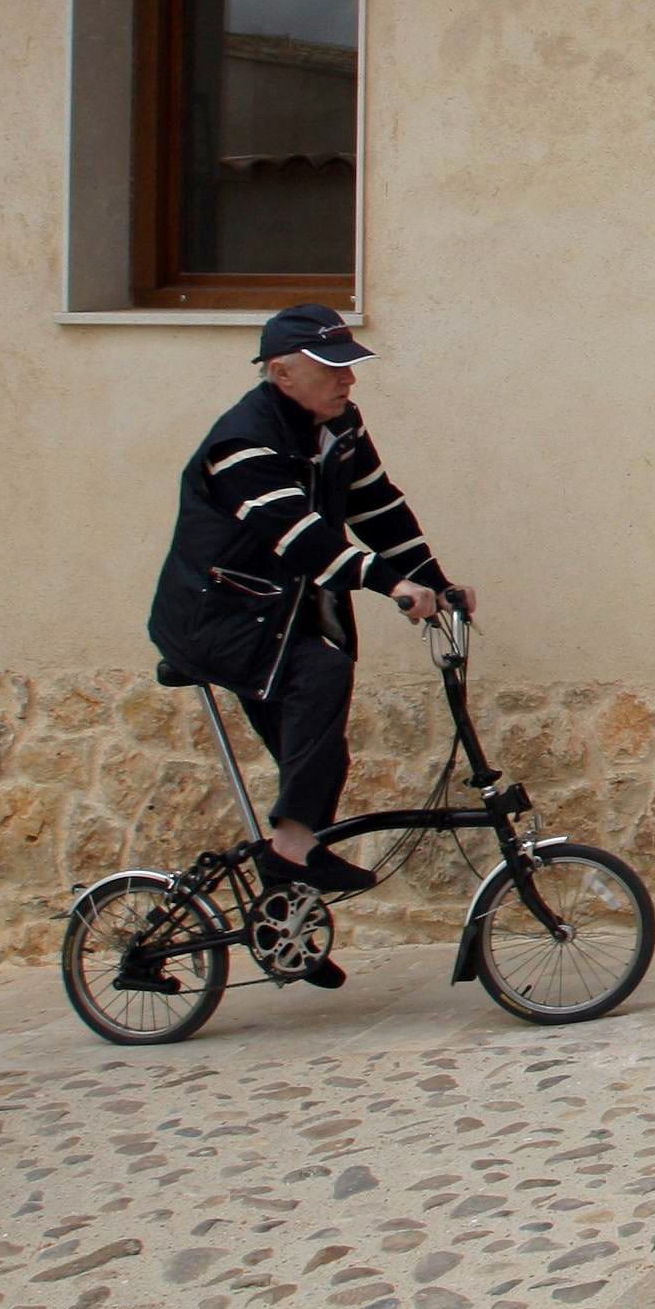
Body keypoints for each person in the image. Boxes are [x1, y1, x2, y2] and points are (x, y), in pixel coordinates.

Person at [144, 305, 468, 977]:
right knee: (319, 681)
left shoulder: (337, 427)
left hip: (274, 618)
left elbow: (379, 509)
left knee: (316, 759)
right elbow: (303, 540)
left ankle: (280, 927)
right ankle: (290, 860)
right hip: (217, 623)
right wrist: (390, 586)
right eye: (332, 368)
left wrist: (436, 582)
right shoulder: (242, 443)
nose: (348, 381)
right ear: (282, 373)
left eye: (350, 366)